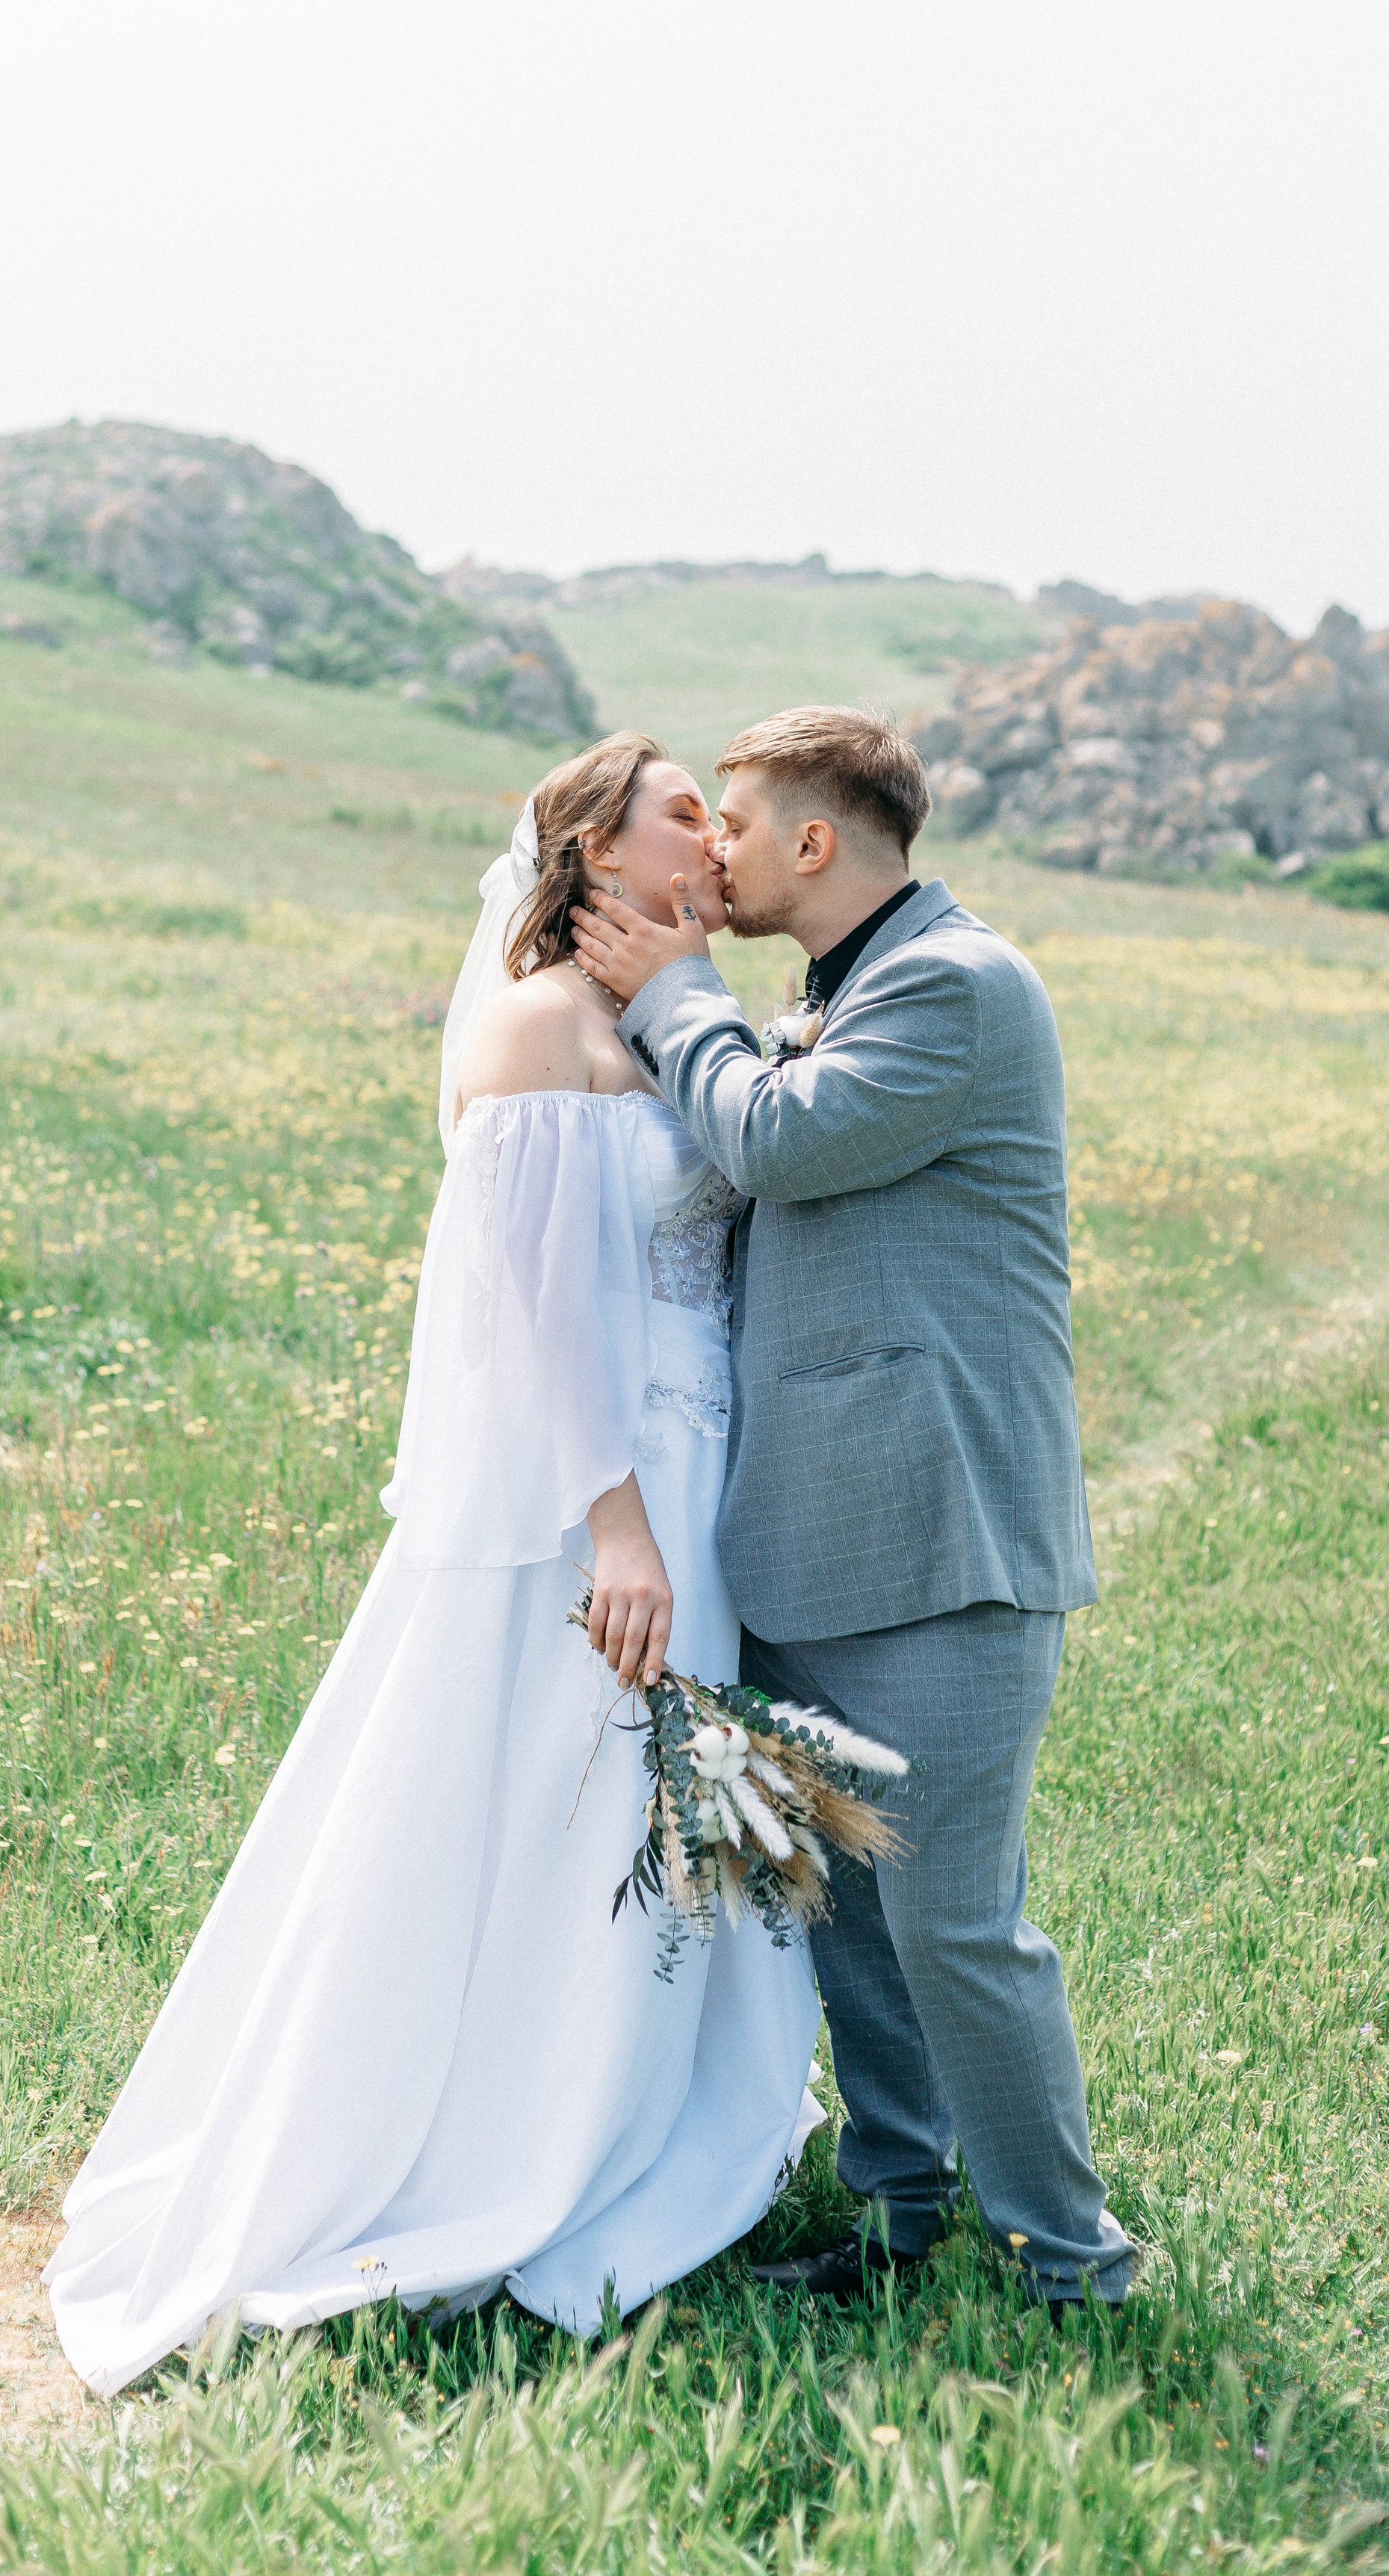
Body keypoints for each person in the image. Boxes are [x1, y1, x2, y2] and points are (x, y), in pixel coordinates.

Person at [43, 732, 822, 2396]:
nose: (715, 829)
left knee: (638, 1803)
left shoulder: (676, 1026)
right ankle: (490, 2134)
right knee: (537, 1787)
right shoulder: (539, 1024)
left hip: (701, 1470)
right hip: (596, 1496)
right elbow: (534, 1310)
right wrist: (614, 1524)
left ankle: (637, 2101)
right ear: (595, 850)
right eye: (682, 806)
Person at [571, 705, 1133, 2315]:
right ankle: (900, 2213)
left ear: (813, 842)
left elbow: (773, 1139)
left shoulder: (953, 988)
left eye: (731, 825)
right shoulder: (835, 993)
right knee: (852, 1923)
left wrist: (673, 997)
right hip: (812, 1540)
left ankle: (1068, 2262)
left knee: (957, 1926)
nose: (713, 855)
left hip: (943, 1538)